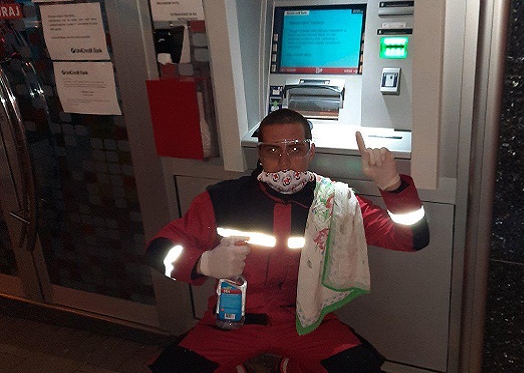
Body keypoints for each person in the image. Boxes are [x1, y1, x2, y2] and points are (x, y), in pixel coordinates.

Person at [145, 108, 429, 373]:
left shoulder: (335, 201)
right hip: (234, 320)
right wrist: (203, 263)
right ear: (260, 154)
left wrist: (393, 186)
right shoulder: (224, 199)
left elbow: (411, 239)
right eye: (273, 150)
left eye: (295, 149)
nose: (284, 162)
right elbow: (159, 250)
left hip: (308, 321)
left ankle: (294, 367)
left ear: (310, 151)